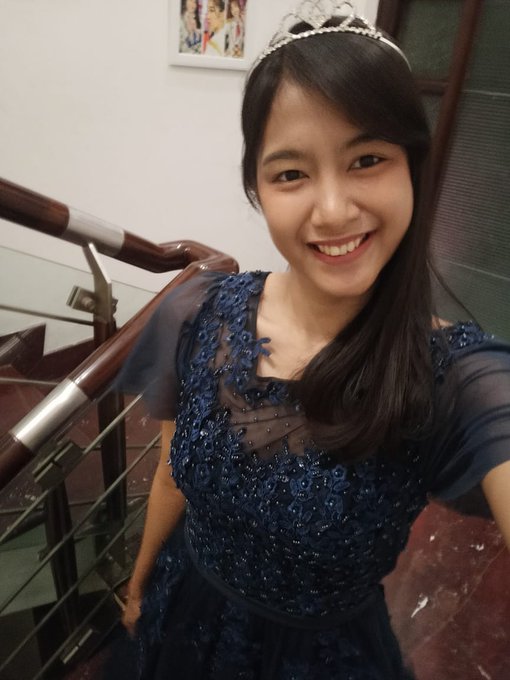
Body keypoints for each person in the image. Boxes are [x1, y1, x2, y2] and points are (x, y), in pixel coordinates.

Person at [109, 2, 510, 678]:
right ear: (258, 189)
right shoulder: (199, 313)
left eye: (366, 159)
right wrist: (140, 579)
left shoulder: (456, 376)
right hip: (181, 609)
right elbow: (175, 472)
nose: (332, 210)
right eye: (291, 173)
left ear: (412, 166)